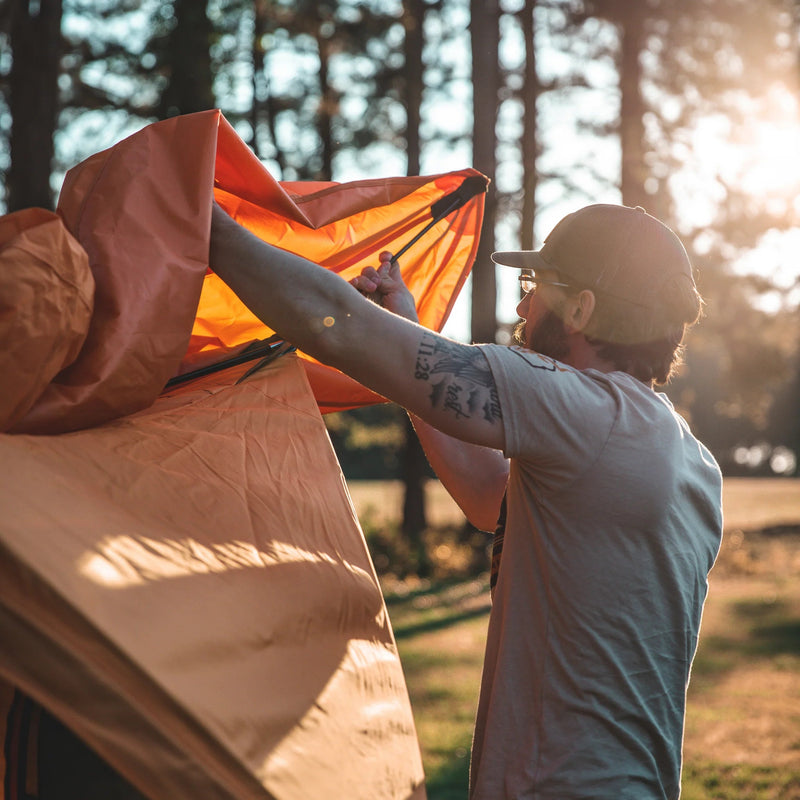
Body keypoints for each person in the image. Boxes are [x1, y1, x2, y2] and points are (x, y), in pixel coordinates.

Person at [209, 201, 723, 800]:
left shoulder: (585, 410)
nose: (521, 307)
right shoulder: (681, 456)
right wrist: (408, 322)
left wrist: (209, 227)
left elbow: (338, 323)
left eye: (536, 286)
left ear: (581, 309)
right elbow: (489, 498)